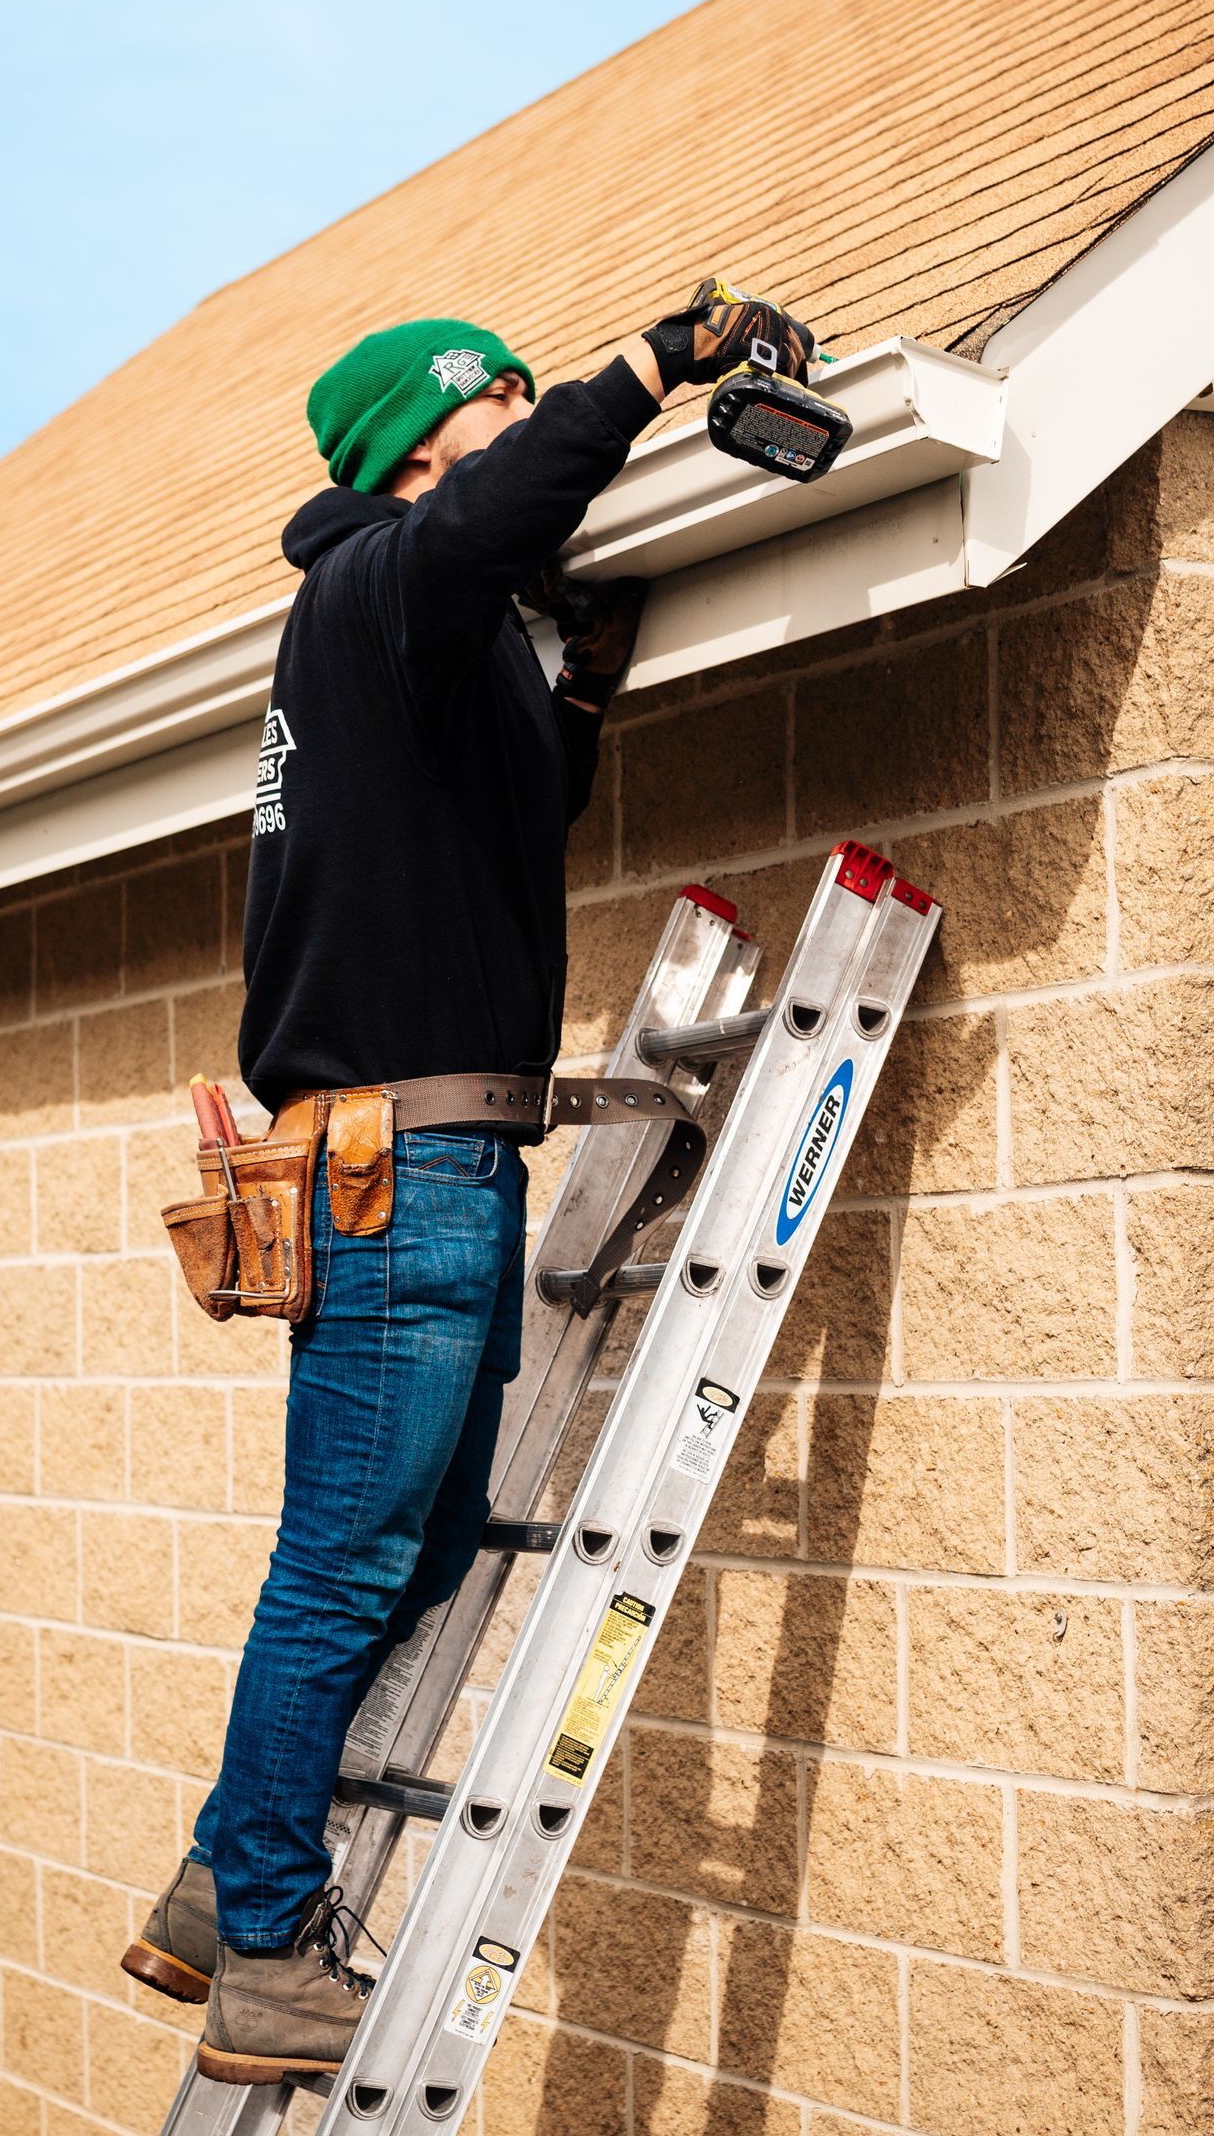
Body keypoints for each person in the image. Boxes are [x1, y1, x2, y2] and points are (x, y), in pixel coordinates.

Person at [121, 286, 813, 2083]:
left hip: (441, 1161)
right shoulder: (373, 590)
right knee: (347, 1560)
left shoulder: (429, 642)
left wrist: (579, 667)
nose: (531, 424)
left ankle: (218, 1880)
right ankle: (268, 1953)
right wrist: (656, 372)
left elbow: (519, 800)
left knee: (409, 1544)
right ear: (425, 450)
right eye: (502, 406)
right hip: (397, 1167)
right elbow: (495, 520)